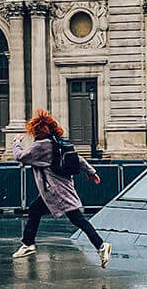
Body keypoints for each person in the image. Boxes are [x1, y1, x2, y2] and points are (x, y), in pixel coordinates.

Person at [12, 110, 111, 267]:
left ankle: (101, 245)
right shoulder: (60, 143)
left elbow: (20, 157)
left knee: (77, 219)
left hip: (54, 191)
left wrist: (16, 142)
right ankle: (28, 243)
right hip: (63, 187)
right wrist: (91, 173)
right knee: (36, 210)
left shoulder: (40, 146)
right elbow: (78, 159)